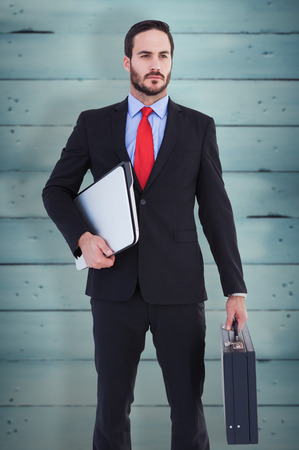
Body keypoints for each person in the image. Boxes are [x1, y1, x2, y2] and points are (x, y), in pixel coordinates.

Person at [42, 20, 248, 450]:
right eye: (145, 55)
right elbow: (56, 190)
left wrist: (236, 290)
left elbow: (216, 210)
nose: (155, 65)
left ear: (171, 62)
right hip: (114, 285)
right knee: (111, 409)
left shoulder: (198, 127)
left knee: (188, 409)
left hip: (179, 287)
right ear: (127, 62)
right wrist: (82, 237)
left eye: (163, 56)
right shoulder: (94, 124)